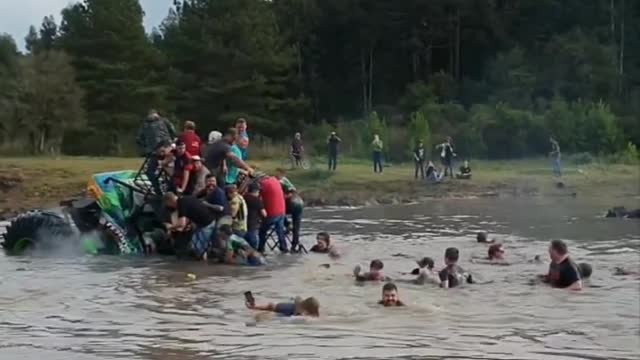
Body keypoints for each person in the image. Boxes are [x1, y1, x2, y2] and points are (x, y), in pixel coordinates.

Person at [163, 192, 216, 261]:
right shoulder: (186, 198)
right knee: (195, 246)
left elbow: (182, 223)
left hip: (207, 224)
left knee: (199, 249)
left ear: (169, 201)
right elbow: (189, 215)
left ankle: (203, 266)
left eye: (168, 205)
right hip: (204, 222)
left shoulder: (180, 204)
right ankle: (202, 262)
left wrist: (170, 227)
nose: (170, 207)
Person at [135, 109, 177, 194]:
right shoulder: (164, 121)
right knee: (171, 170)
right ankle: (172, 188)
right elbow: (173, 132)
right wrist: (172, 142)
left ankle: (157, 189)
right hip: (167, 148)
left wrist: (146, 148)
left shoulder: (145, 125)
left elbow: (138, 139)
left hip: (154, 151)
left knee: (150, 171)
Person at [275, 168, 304, 252]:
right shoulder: (286, 180)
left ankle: (287, 225)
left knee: (279, 214)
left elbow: (290, 192)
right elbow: (294, 191)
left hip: (292, 203)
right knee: (296, 227)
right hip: (299, 202)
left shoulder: (279, 181)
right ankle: (294, 246)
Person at [257, 176, 288, 253]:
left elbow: (257, 197)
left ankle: (261, 249)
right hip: (282, 211)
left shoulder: (263, 184)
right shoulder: (275, 180)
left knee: (262, 231)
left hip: (272, 213)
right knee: (280, 231)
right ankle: (284, 248)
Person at [246, 295, 320, 317]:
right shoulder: (296, 312)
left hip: (278, 306)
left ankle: (253, 305)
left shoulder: (297, 307)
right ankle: (252, 306)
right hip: (276, 308)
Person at [243, 182, 266, 249]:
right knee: (253, 243)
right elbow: (264, 214)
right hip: (252, 224)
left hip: (243, 223)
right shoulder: (257, 200)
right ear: (256, 191)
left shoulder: (244, 197)